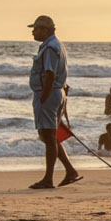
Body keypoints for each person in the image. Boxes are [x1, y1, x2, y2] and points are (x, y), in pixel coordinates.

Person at [27, 15, 81, 189]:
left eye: (35, 29)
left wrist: (44, 97)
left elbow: (50, 74)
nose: (33, 32)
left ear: (45, 30)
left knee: (49, 137)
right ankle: (70, 170)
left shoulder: (50, 47)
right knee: (47, 135)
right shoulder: (56, 45)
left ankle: (48, 179)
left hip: (49, 95)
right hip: (55, 93)